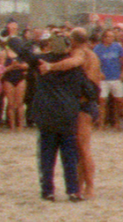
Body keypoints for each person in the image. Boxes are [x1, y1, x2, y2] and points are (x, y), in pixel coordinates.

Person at [29, 33, 90, 202]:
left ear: (49, 45)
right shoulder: (74, 66)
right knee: (69, 155)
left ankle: (47, 191)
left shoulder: (40, 62)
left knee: (46, 156)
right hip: (67, 113)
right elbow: (90, 91)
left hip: (46, 112)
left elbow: (21, 50)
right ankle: (73, 191)